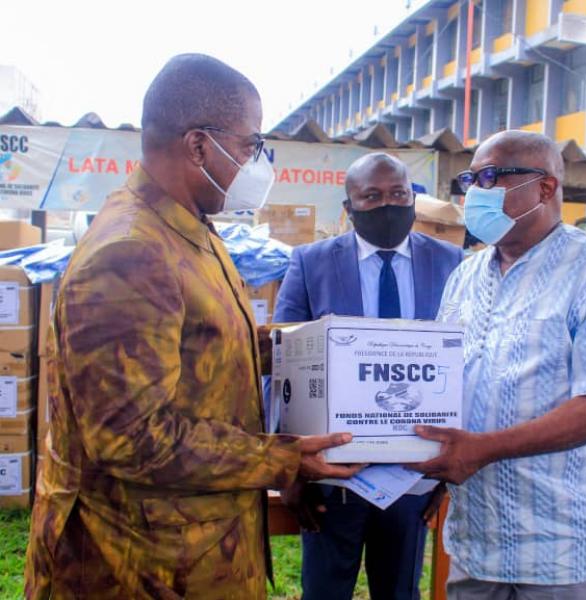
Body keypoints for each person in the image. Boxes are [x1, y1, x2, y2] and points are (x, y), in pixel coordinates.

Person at [24, 54, 358, 599]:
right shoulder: (131, 251)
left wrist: (322, 347)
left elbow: (210, 347)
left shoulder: (191, 229)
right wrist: (282, 457)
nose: (257, 164)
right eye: (252, 146)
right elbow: (130, 439)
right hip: (137, 567)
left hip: (195, 551)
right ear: (199, 146)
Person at [412, 130, 586, 600]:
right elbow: (438, 379)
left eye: (491, 176)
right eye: (471, 179)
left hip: (561, 549)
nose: (475, 192)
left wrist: (481, 449)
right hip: (475, 542)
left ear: (545, 187)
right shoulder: (465, 277)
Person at [274, 152, 463, 600]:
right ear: (349, 207)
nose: (387, 205)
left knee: (399, 592)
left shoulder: (453, 262)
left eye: (398, 194)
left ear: (413, 199)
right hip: (332, 475)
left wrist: (443, 474)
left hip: (414, 472)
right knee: (323, 592)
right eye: (372, 196)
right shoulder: (310, 262)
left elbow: (464, 366)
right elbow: (281, 366)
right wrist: (290, 467)